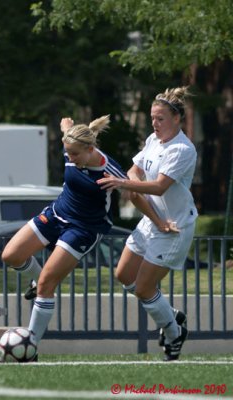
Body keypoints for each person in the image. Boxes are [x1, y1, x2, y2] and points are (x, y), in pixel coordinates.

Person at [1, 115, 175, 360]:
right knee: (10, 255)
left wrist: (159, 222)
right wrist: (65, 127)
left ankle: (30, 346)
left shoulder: (108, 169)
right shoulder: (73, 146)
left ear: (90, 149)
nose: (69, 159)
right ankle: (39, 280)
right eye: (67, 153)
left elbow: (135, 196)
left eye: (74, 155)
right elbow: (70, 133)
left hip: (84, 228)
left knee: (46, 287)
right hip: (56, 214)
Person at [97, 87, 198, 361]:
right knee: (123, 276)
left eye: (161, 118)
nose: (155, 123)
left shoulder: (183, 149)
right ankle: (169, 313)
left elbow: (159, 187)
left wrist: (122, 183)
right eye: (153, 117)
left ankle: (174, 332)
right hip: (150, 221)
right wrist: (131, 180)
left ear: (177, 118)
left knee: (143, 289)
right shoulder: (153, 139)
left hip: (173, 227)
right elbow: (135, 169)